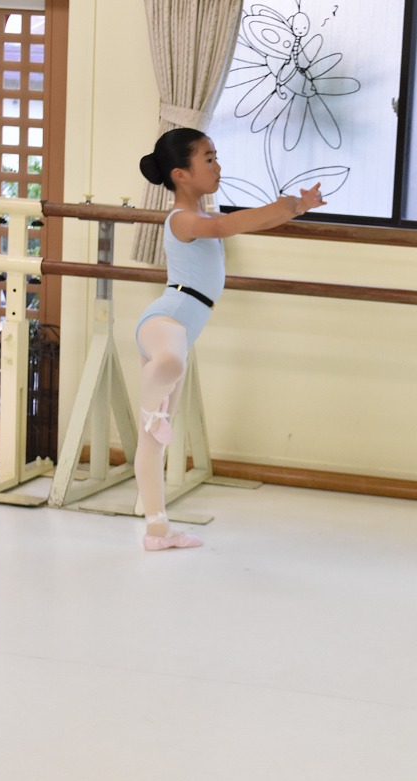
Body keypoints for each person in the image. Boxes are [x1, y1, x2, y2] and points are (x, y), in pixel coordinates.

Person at [134, 128, 325, 551]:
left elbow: (242, 222)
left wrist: (297, 207)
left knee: (154, 440)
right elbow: (231, 224)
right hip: (165, 320)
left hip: (183, 329)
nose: (218, 166)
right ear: (181, 175)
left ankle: (157, 532)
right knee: (171, 363)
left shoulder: (202, 217)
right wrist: (291, 205)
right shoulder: (183, 219)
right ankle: (154, 393)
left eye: (216, 157)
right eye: (208, 159)